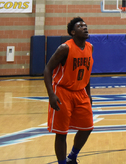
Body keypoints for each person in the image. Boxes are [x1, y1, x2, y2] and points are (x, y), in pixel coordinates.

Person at [44, 17, 94, 164]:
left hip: (80, 92)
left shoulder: (90, 47)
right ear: (73, 32)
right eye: (80, 26)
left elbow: (87, 72)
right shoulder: (65, 48)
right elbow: (47, 69)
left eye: (85, 25)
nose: (84, 27)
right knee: (61, 132)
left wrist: (89, 94)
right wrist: (51, 95)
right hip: (62, 91)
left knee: (87, 127)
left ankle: (72, 156)